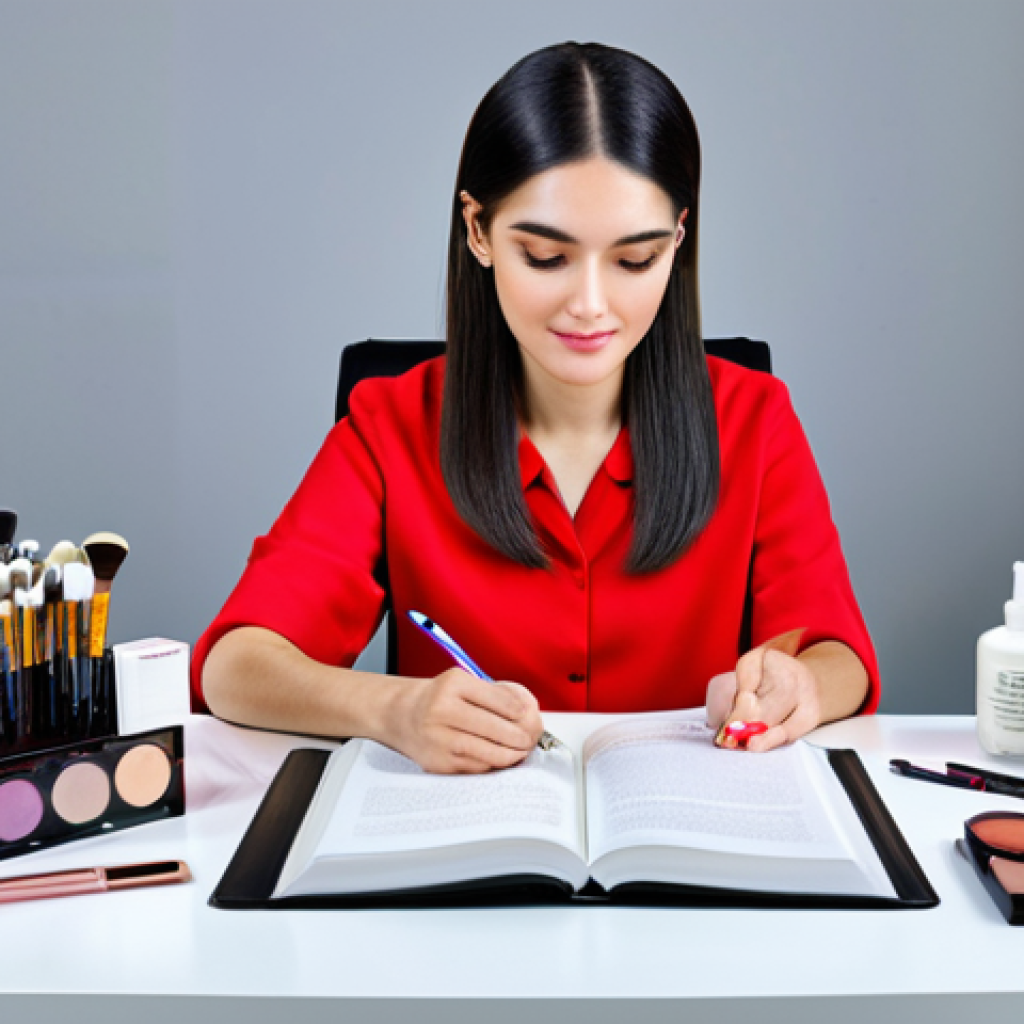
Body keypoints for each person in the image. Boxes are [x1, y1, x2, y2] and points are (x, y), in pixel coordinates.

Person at [191, 41, 879, 773]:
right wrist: (391, 708)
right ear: (479, 232)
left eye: (635, 260)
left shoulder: (755, 419)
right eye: (547, 257)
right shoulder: (389, 426)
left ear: (679, 238)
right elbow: (233, 666)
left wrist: (798, 686)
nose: (589, 306)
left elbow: (840, 656)